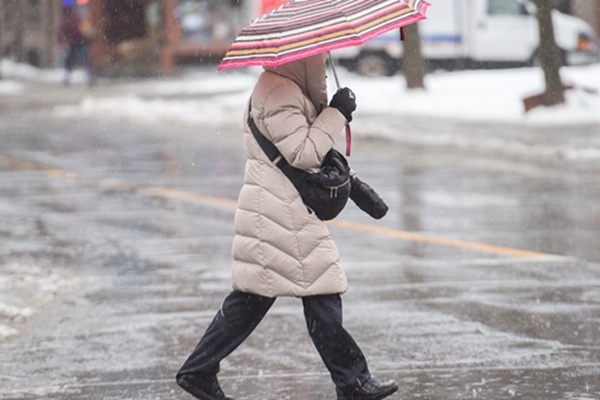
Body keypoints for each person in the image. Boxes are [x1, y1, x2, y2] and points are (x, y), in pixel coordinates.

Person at [176, 53, 398, 400]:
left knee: (252, 299)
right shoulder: (279, 92)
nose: (324, 62)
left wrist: (354, 184)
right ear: (305, 57)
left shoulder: (287, 88)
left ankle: (198, 370)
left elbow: (307, 153)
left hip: (279, 207)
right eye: (320, 56)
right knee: (321, 291)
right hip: (281, 210)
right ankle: (353, 381)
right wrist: (337, 113)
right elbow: (304, 154)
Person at [57, 6, 95, 87]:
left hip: (74, 42)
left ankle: (67, 78)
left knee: (70, 60)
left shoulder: (68, 18)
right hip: (80, 42)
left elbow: (62, 30)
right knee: (85, 59)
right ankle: (90, 76)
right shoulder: (79, 18)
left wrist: (61, 39)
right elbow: (86, 29)